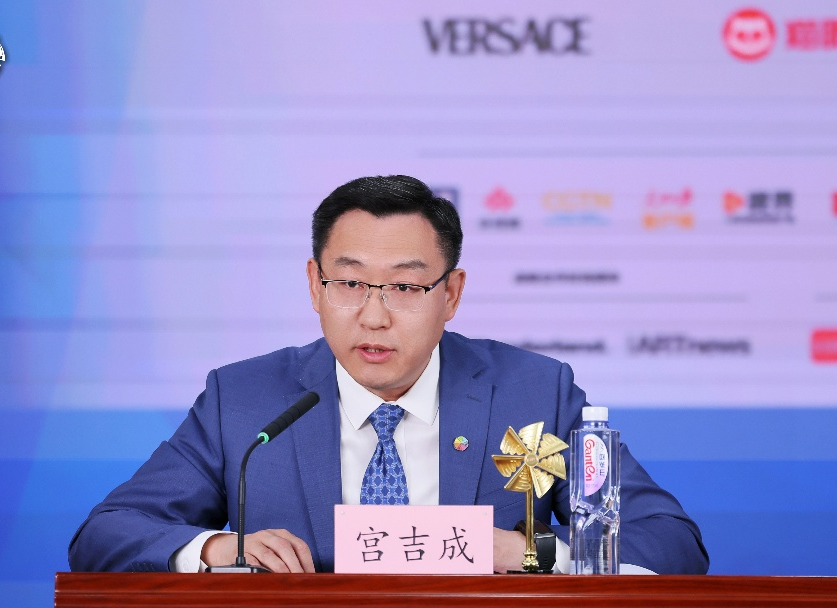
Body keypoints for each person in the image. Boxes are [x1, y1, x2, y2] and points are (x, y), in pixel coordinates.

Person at [68, 175, 708, 574]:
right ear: (314, 286)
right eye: (348, 284)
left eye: (405, 287)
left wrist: (535, 553)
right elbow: (105, 534)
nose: (373, 316)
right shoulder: (243, 401)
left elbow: (671, 544)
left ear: (451, 294)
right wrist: (217, 549)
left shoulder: (535, 392)